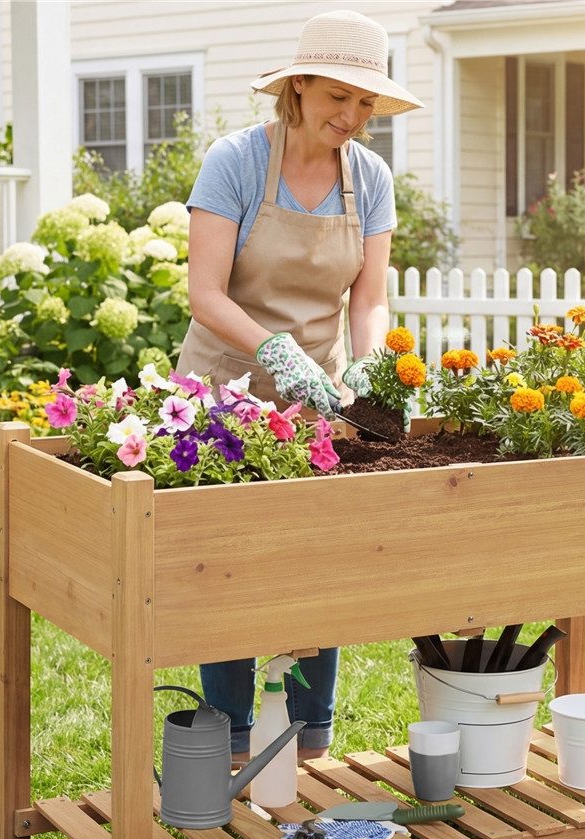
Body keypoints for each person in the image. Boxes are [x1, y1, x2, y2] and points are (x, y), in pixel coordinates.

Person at [176, 10, 423, 761]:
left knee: (316, 564)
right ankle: (228, 743)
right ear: (300, 85)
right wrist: (277, 357)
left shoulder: (370, 178)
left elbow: (369, 297)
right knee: (231, 571)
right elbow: (206, 293)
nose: (351, 117)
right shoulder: (237, 162)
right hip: (226, 396)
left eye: (365, 104)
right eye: (337, 98)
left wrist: (374, 365)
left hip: (323, 401)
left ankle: (308, 745)